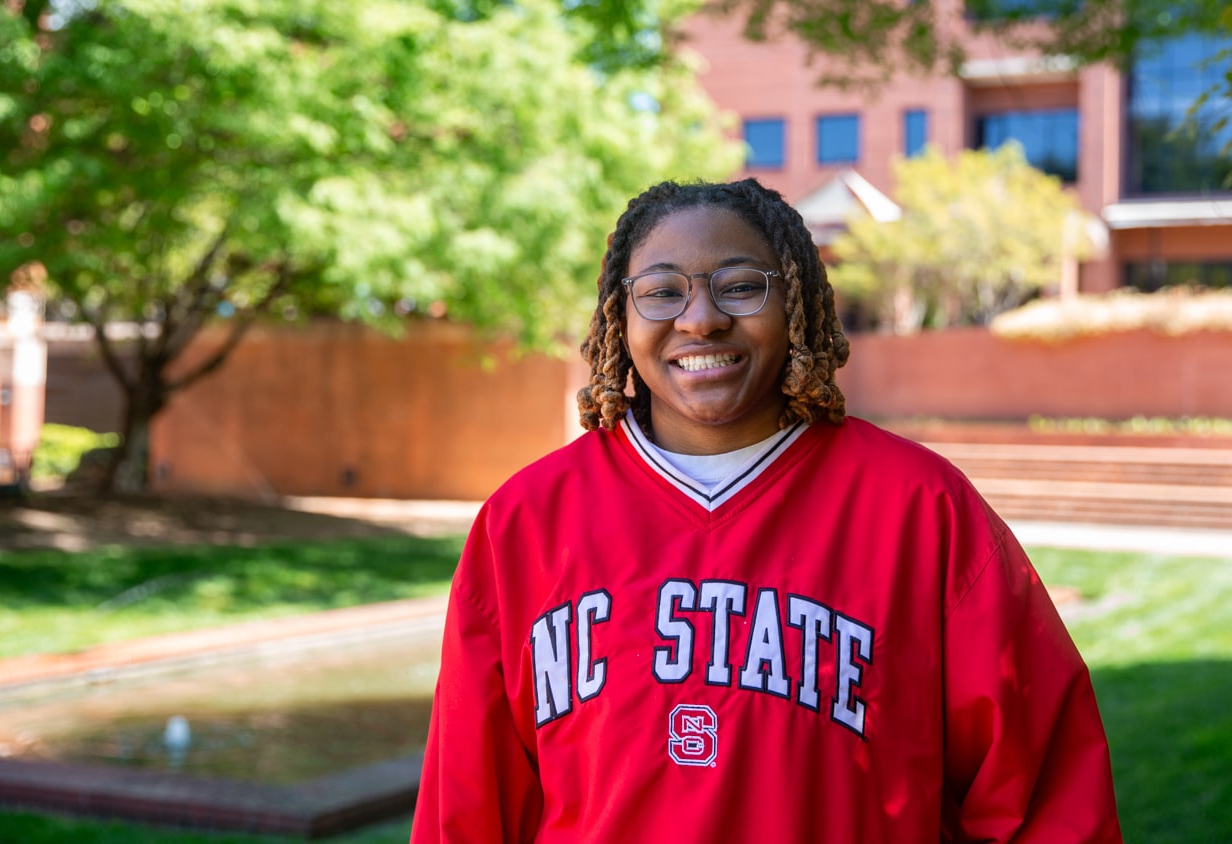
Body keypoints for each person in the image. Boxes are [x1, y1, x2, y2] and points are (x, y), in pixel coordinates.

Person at [412, 178, 1122, 843]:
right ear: (617, 316)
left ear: (798, 304)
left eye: (741, 287)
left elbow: (1047, 799)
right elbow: (464, 809)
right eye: (661, 292)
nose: (701, 319)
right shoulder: (525, 522)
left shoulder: (921, 509)